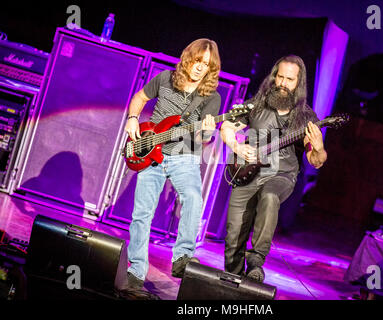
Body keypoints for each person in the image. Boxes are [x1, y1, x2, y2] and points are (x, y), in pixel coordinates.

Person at [124, 39, 221, 291]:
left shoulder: (211, 97)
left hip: (184, 156)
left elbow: (204, 139)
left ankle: (182, 258)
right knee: (142, 213)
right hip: (150, 149)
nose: (200, 68)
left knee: (193, 198)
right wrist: (133, 118)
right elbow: (140, 97)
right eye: (198, 61)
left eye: (206, 65)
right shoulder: (165, 78)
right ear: (188, 57)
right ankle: (135, 272)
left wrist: (208, 132)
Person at [220, 55, 327, 282]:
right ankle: (233, 279)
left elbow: (316, 160)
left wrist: (318, 149)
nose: (283, 84)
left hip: (281, 175)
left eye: (290, 79)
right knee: (233, 236)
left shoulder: (306, 117)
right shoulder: (256, 104)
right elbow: (227, 126)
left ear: (298, 83)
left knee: (269, 197)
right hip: (247, 173)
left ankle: (256, 262)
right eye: (280, 77)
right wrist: (236, 146)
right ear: (274, 77)